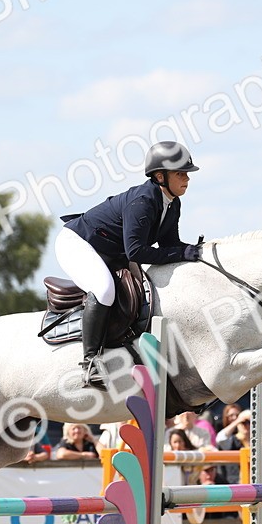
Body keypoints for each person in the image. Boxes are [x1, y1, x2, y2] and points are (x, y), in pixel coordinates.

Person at [54, 140, 203, 388]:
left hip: (109, 251)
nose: (187, 178)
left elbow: (169, 246)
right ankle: (90, 362)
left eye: (187, 173)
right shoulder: (143, 200)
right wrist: (184, 253)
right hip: (77, 244)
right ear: (160, 176)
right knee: (104, 289)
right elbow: (136, 251)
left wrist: (197, 252)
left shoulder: (172, 203)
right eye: (180, 173)